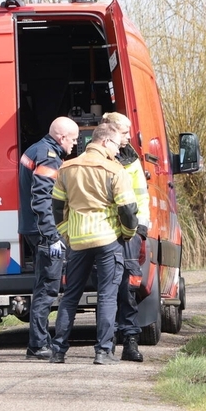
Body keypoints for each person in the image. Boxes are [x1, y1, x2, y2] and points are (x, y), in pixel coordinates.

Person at [48, 123, 138, 365]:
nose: (118, 151)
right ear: (105, 142)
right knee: (107, 296)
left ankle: (58, 351)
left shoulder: (66, 168)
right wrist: (127, 233)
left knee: (70, 296)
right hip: (107, 239)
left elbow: (57, 207)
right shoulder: (114, 170)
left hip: (77, 240)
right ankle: (103, 351)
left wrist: (66, 233)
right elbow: (128, 210)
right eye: (116, 145)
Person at [18, 116, 79, 359]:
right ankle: (38, 345)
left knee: (42, 286)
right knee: (47, 288)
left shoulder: (36, 149)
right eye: (73, 139)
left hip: (33, 229)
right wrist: (52, 235)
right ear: (61, 137)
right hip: (44, 232)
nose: (75, 143)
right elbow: (42, 198)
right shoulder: (49, 156)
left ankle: (39, 341)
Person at [101, 112, 150, 362]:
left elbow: (141, 195)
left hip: (131, 232)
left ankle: (130, 341)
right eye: (124, 132)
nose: (129, 136)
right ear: (109, 130)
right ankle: (106, 342)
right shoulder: (95, 155)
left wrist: (141, 228)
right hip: (105, 232)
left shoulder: (131, 158)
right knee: (108, 289)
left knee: (128, 288)